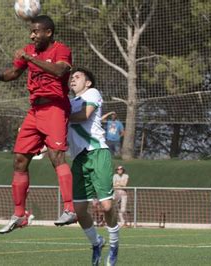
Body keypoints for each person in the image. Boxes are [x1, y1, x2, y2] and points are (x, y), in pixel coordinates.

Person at [0, 15, 76, 234]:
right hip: (34, 110)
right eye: (31, 32)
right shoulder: (29, 51)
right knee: (19, 159)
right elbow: (13, 73)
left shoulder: (61, 50)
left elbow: (61, 71)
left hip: (55, 107)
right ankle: (19, 215)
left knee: (56, 156)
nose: (31, 35)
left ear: (48, 32)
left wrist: (29, 58)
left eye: (36, 31)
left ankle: (70, 209)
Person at [68, 68, 119, 266]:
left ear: (88, 82)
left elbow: (84, 115)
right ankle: (97, 242)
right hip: (79, 159)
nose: (73, 79)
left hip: (98, 153)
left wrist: (61, 115)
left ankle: (114, 245)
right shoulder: (67, 103)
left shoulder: (92, 93)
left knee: (106, 206)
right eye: (71, 77)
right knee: (79, 211)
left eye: (77, 77)